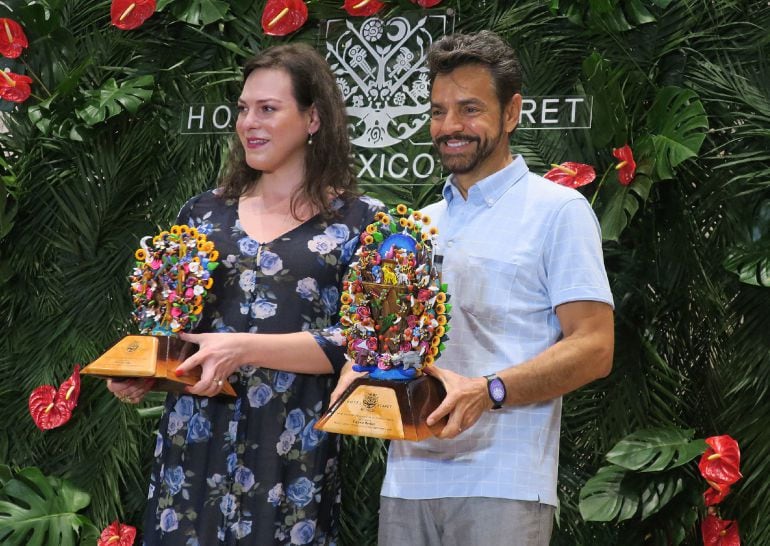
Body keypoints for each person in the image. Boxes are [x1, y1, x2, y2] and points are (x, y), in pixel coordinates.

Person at [332, 30, 615, 545]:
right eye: (438, 111)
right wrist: (360, 366)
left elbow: (595, 347)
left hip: (504, 483)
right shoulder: (415, 226)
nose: (450, 127)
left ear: (512, 113)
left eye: (469, 109)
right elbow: (387, 341)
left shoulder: (558, 211)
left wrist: (490, 391)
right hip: (407, 481)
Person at [107, 43, 383, 545]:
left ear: (313, 118)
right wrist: (147, 370)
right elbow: (173, 328)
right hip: (190, 453)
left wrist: (242, 348)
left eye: (268, 109)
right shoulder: (202, 213)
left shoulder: (359, 222)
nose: (249, 122)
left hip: (292, 458)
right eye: (243, 109)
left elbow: (364, 344)